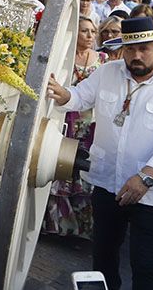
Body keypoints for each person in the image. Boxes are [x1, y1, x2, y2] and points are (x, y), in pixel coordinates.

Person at [45, 16, 153, 290]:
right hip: (108, 185)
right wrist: (63, 95)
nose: (136, 55)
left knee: (146, 266)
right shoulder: (107, 72)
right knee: (104, 257)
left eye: (144, 48)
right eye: (130, 49)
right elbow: (80, 96)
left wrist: (145, 177)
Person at [42, 16, 105, 238]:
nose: (89, 36)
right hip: (62, 117)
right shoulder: (62, 57)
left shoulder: (102, 60)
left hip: (88, 124)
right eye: (84, 31)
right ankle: (55, 224)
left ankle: (79, 228)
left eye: (93, 31)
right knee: (58, 166)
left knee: (81, 170)